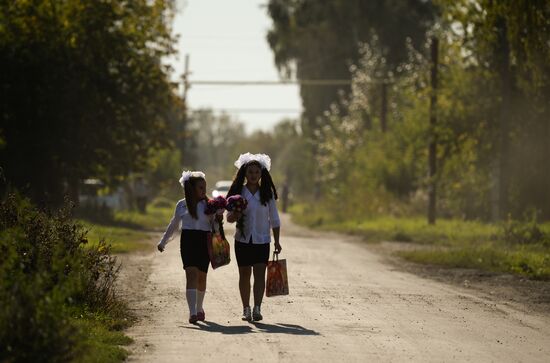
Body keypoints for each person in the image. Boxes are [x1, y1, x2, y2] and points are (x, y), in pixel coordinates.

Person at [226, 153, 282, 322]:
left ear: (261, 174)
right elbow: (229, 218)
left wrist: (277, 241)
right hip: (242, 240)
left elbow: (275, 219)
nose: (253, 175)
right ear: (245, 173)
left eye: (256, 172)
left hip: (262, 240)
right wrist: (236, 212)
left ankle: (257, 308)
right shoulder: (238, 193)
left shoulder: (267, 194)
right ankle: (246, 308)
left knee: (259, 274)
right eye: (250, 172)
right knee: (244, 274)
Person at [157, 170, 215, 323]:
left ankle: (199, 307)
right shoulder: (182, 205)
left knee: (202, 278)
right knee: (191, 275)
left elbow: (215, 226)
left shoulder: (209, 205)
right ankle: (192, 313)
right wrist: (163, 241)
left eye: (205, 187)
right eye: (200, 188)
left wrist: (217, 215)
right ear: (192, 189)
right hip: (188, 241)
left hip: (204, 241)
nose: (204, 191)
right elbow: (174, 225)